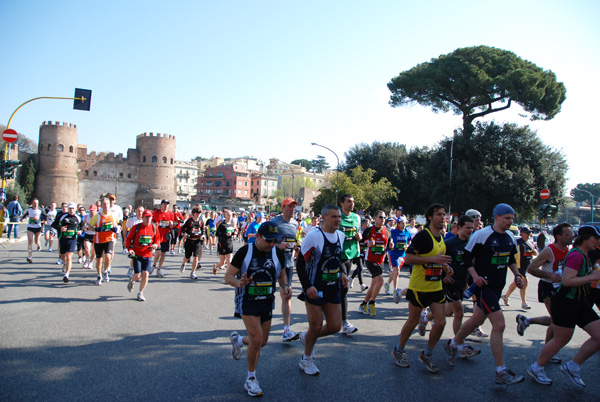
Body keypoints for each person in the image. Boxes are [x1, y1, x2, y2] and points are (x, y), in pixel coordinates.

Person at [444, 203, 525, 385]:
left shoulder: (511, 236)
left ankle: (452, 344)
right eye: (506, 218)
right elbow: (465, 257)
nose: (510, 222)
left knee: (476, 320)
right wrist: (475, 276)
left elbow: (511, 258)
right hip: (483, 286)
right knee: (499, 324)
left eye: (512, 219)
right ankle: (501, 371)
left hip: (498, 286)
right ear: (496, 217)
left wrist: (517, 275)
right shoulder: (482, 235)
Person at [527, 225, 600, 388]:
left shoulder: (584, 254)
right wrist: (592, 277)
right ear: (585, 239)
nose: (598, 241)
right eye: (595, 238)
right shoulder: (576, 255)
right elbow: (567, 281)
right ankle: (536, 368)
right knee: (561, 338)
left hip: (579, 301)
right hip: (565, 301)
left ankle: (572, 366)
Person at [225, 221, 288, 397]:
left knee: (262, 341)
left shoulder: (278, 253)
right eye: (268, 240)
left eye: (275, 241)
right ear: (258, 237)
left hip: (267, 301)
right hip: (248, 301)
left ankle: (238, 341)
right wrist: (239, 283)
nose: (271, 244)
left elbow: (282, 275)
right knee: (257, 338)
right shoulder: (245, 252)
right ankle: (251, 379)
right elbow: (228, 276)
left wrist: (285, 286)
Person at [392, 204, 452, 373]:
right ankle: (399, 350)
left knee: (440, 322)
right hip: (419, 287)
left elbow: (439, 260)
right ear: (430, 218)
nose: (442, 217)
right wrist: (433, 258)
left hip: (436, 286)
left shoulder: (441, 237)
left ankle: (427, 353)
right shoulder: (423, 236)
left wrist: (446, 269)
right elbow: (409, 258)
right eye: (439, 214)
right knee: (412, 321)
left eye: (444, 215)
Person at [296, 205, 347, 375]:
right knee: (316, 326)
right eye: (334, 217)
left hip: (333, 288)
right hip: (315, 288)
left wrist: (343, 273)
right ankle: (306, 359)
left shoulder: (341, 235)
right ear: (324, 218)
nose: (338, 220)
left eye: (339, 216)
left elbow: (336, 258)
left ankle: (307, 336)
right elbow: (301, 263)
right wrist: (307, 286)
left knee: (335, 326)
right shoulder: (313, 236)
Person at [518, 223, 574, 361]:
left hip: (560, 288)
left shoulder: (567, 248)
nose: (571, 236)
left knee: (557, 319)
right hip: (548, 287)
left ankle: (526, 320)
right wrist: (550, 276)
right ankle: (548, 353)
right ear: (558, 236)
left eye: (571, 233)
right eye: (568, 234)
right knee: (556, 320)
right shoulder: (549, 251)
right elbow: (531, 268)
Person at [271, 197, 301, 342]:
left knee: (287, 294)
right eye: (289, 206)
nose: (292, 209)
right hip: (272, 262)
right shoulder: (274, 222)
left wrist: (295, 247)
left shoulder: (295, 223)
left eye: (294, 206)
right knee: (266, 294)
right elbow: (264, 239)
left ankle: (286, 330)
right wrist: (278, 246)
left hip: (288, 263)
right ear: (283, 208)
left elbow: (292, 240)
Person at [358, 210, 393, 316]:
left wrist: (391, 245)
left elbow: (389, 245)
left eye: (384, 217)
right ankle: (372, 303)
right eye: (381, 217)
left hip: (381, 261)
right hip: (370, 259)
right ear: (375, 218)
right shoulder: (369, 230)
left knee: (374, 284)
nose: (383, 219)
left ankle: (363, 304)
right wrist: (367, 244)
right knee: (380, 281)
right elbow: (360, 243)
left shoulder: (387, 231)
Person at [126, 209, 160, 301]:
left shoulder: (154, 228)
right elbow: (128, 239)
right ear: (143, 218)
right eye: (146, 217)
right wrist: (130, 249)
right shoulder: (136, 227)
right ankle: (131, 280)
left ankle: (140, 293)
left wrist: (156, 245)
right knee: (137, 276)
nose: (148, 219)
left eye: (150, 217)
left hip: (148, 254)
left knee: (145, 274)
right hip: (137, 254)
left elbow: (157, 239)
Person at [339, 194, 361, 335]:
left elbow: (358, 233)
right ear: (342, 203)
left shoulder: (356, 218)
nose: (351, 204)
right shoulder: (337, 217)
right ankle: (344, 322)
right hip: (339, 256)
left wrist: (359, 236)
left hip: (351, 256)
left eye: (353, 202)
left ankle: (337, 315)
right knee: (344, 287)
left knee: (341, 288)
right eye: (348, 202)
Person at [502, 226, 538, 309]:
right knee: (524, 282)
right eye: (527, 232)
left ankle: (506, 296)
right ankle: (524, 303)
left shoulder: (530, 243)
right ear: (521, 233)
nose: (529, 234)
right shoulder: (518, 242)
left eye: (529, 232)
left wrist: (534, 252)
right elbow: (513, 253)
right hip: (518, 265)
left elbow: (535, 253)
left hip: (526, 266)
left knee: (517, 282)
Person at [89, 197, 119, 285]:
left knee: (108, 257)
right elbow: (89, 226)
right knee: (99, 260)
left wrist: (115, 229)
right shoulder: (97, 216)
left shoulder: (113, 215)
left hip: (109, 239)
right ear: (101, 206)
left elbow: (117, 224)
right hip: (98, 240)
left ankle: (105, 270)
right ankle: (99, 275)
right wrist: (96, 229)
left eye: (107, 204)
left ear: (110, 205)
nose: (106, 206)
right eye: (104, 204)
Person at [386, 216, 412, 302]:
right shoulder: (393, 232)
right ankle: (395, 290)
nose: (404, 225)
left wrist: (408, 245)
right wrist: (391, 245)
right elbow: (389, 240)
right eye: (402, 223)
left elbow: (409, 241)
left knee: (395, 271)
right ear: (398, 224)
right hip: (394, 254)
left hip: (402, 254)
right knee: (397, 271)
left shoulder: (407, 232)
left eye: (405, 223)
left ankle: (387, 284)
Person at [55, 202, 82, 283]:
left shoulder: (78, 217)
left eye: (73, 208)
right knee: (63, 256)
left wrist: (80, 231)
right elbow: (54, 224)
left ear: (75, 209)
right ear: (68, 209)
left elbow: (82, 226)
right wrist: (60, 228)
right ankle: (65, 263)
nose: (71, 210)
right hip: (63, 238)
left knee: (69, 256)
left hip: (72, 239)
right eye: (70, 208)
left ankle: (67, 274)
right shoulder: (62, 216)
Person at [180, 207, 205, 279]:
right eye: (197, 213)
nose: (198, 215)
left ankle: (193, 272)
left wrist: (203, 235)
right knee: (187, 257)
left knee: (196, 257)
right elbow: (182, 229)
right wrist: (184, 234)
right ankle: (183, 263)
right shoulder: (189, 221)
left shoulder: (200, 222)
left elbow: (202, 231)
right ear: (193, 213)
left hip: (197, 241)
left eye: (199, 213)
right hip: (189, 240)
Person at [152, 200, 174, 278]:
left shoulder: (170, 213)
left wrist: (171, 224)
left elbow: (172, 225)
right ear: (161, 205)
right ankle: (154, 264)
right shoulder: (156, 212)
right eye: (164, 204)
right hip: (158, 235)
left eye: (167, 204)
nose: (165, 206)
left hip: (166, 235)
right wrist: (154, 224)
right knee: (158, 253)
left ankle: (159, 269)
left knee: (163, 254)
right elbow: (151, 222)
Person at [21, 198, 45, 263]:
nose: (35, 204)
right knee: (30, 241)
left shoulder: (40, 210)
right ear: (32, 203)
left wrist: (39, 218)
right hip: (30, 227)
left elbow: (45, 216)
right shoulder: (29, 209)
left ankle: (38, 244)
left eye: (37, 203)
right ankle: (30, 256)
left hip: (38, 227)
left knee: (36, 241)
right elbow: (25, 214)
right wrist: (22, 218)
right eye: (34, 203)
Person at [213, 210, 237, 274]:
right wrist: (225, 234)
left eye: (230, 215)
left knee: (229, 261)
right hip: (222, 244)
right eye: (228, 215)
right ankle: (215, 266)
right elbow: (217, 234)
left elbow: (234, 231)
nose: (229, 216)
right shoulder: (222, 224)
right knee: (222, 262)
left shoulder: (232, 224)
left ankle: (227, 275)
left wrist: (234, 234)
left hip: (229, 244)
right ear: (225, 216)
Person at [81, 205, 98, 270]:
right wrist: (84, 228)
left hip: (95, 235)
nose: (92, 212)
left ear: (96, 210)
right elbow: (83, 224)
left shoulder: (98, 217)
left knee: (94, 252)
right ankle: (87, 259)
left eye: (93, 210)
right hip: (87, 234)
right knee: (87, 249)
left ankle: (91, 262)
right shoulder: (86, 217)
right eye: (90, 210)